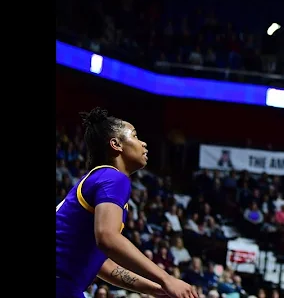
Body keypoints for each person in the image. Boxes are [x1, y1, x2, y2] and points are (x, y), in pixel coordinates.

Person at [56, 107, 198, 298]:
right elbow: (108, 238)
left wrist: (156, 288)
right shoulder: (113, 178)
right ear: (116, 145)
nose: (144, 143)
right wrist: (167, 279)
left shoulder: (100, 178)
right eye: (135, 136)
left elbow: (102, 264)